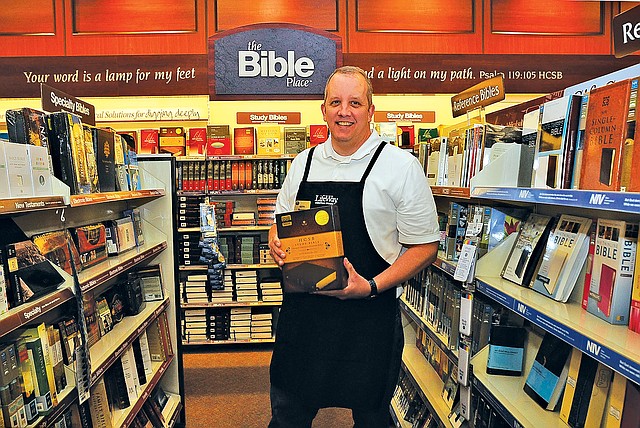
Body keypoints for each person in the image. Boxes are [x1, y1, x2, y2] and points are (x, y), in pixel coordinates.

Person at [268, 65, 440, 428]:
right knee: (288, 414)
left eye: (355, 103)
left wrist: (372, 285)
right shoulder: (304, 163)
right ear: (324, 110)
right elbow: (279, 222)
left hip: (369, 320)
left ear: (371, 110)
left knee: (372, 417)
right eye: (336, 102)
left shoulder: (400, 167)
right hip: (304, 320)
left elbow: (425, 246)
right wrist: (275, 242)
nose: (344, 111)